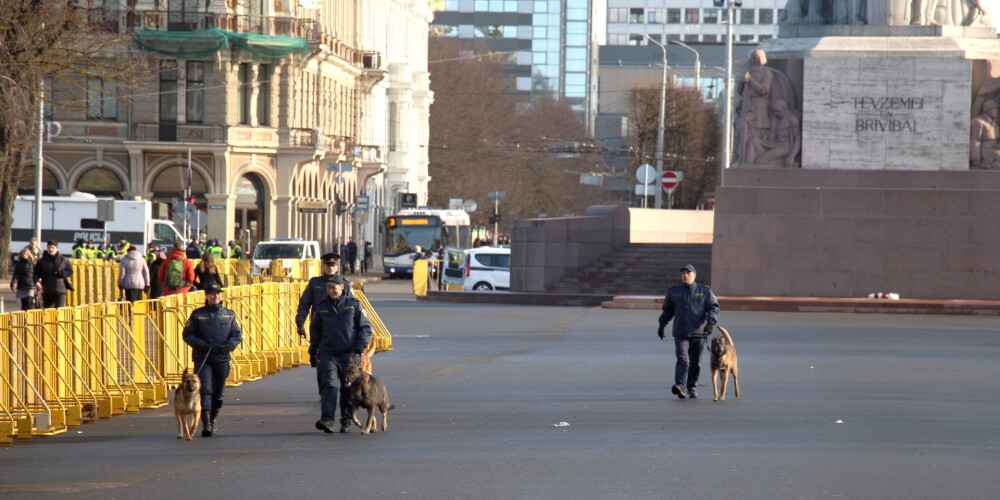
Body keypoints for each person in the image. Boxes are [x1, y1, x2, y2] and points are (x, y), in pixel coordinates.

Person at [309, 274, 372, 433]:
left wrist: (359, 349)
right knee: (329, 385)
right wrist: (313, 350)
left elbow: (365, 328)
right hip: (328, 352)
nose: (331, 291)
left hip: (349, 354)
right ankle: (327, 420)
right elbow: (315, 330)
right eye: (328, 288)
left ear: (342, 287)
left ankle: (346, 420)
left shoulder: (353, 305)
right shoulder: (322, 306)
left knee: (347, 388)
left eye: (334, 288)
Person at [182, 282, 242, 437]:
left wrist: (229, 346)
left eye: (218, 294)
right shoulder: (197, 314)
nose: (216, 297)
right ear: (207, 296)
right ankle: (206, 423)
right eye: (212, 294)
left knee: (219, 393)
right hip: (204, 357)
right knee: (205, 390)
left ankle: (213, 418)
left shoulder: (229, 314)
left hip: (222, 358)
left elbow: (237, 335)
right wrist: (201, 345)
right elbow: (187, 334)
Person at [657, 264, 720, 400]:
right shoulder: (674, 292)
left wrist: (710, 323)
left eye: (688, 273)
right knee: (682, 358)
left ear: (694, 276)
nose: (685, 275)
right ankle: (680, 386)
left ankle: (692, 386)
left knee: (695, 362)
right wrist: (661, 325)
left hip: (699, 333)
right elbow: (667, 311)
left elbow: (713, 308)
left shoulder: (704, 292)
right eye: (683, 273)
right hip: (681, 332)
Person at [295, 253, 352, 341]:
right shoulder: (315, 283)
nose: (331, 268)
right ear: (324, 266)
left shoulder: (345, 284)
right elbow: (304, 304)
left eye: (333, 265)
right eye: (328, 265)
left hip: (340, 326)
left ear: (337, 267)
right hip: (319, 325)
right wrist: (300, 322)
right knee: (317, 352)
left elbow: (352, 306)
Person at [33, 240, 74, 308]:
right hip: (47, 290)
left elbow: (70, 271)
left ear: (56, 248)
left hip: (60, 290)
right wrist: (36, 281)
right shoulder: (42, 261)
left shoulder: (63, 260)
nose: (50, 249)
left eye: (52, 247)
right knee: (48, 312)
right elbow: (36, 273)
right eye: (49, 247)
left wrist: (62, 273)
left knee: (59, 311)